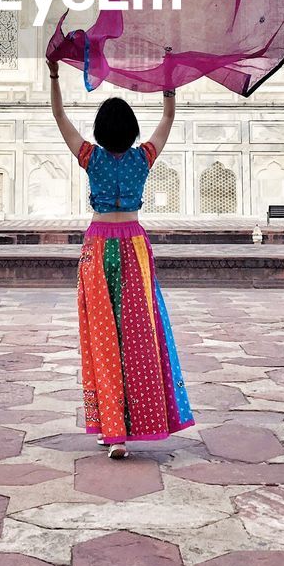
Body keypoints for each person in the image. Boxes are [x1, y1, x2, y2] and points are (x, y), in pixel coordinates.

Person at [47, 58, 195, 458]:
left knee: (103, 338)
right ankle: (140, 422)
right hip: (133, 247)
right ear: (131, 132)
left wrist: (54, 75)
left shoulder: (89, 157)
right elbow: (167, 116)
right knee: (139, 336)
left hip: (97, 248)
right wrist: (168, 81)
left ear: (98, 131)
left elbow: (59, 114)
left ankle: (113, 430)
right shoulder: (141, 158)